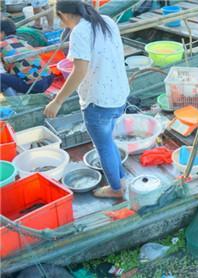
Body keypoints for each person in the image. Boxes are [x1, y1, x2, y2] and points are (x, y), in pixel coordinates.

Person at [44, 0, 130, 198]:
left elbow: (79, 70)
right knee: (108, 141)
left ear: (64, 15)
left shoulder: (80, 32)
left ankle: (116, 189)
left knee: (103, 146)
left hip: (99, 101)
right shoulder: (106, 21)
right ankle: (122, 179)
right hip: (118, 95)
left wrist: (57, 101)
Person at [0, 18, 54, 96]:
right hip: (48, 78)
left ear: (2, 33)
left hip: (35, 83)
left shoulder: (2, 46)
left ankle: (17, 104)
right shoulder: (23, 41)